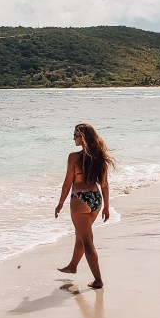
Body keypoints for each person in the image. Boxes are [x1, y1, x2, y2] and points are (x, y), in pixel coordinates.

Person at [54, 123, 115, 289]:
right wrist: (106, 207)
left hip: (79, 199)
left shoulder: (73, 157)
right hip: (96, 199)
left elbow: (67, 183)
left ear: (84, 138)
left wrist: (60, 203)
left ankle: (98, 280)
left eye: (75, 135)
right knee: (82, 235)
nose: (73, 138)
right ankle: (73, 266)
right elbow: (105, 185)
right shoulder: (100, 157)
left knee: (87, 241)